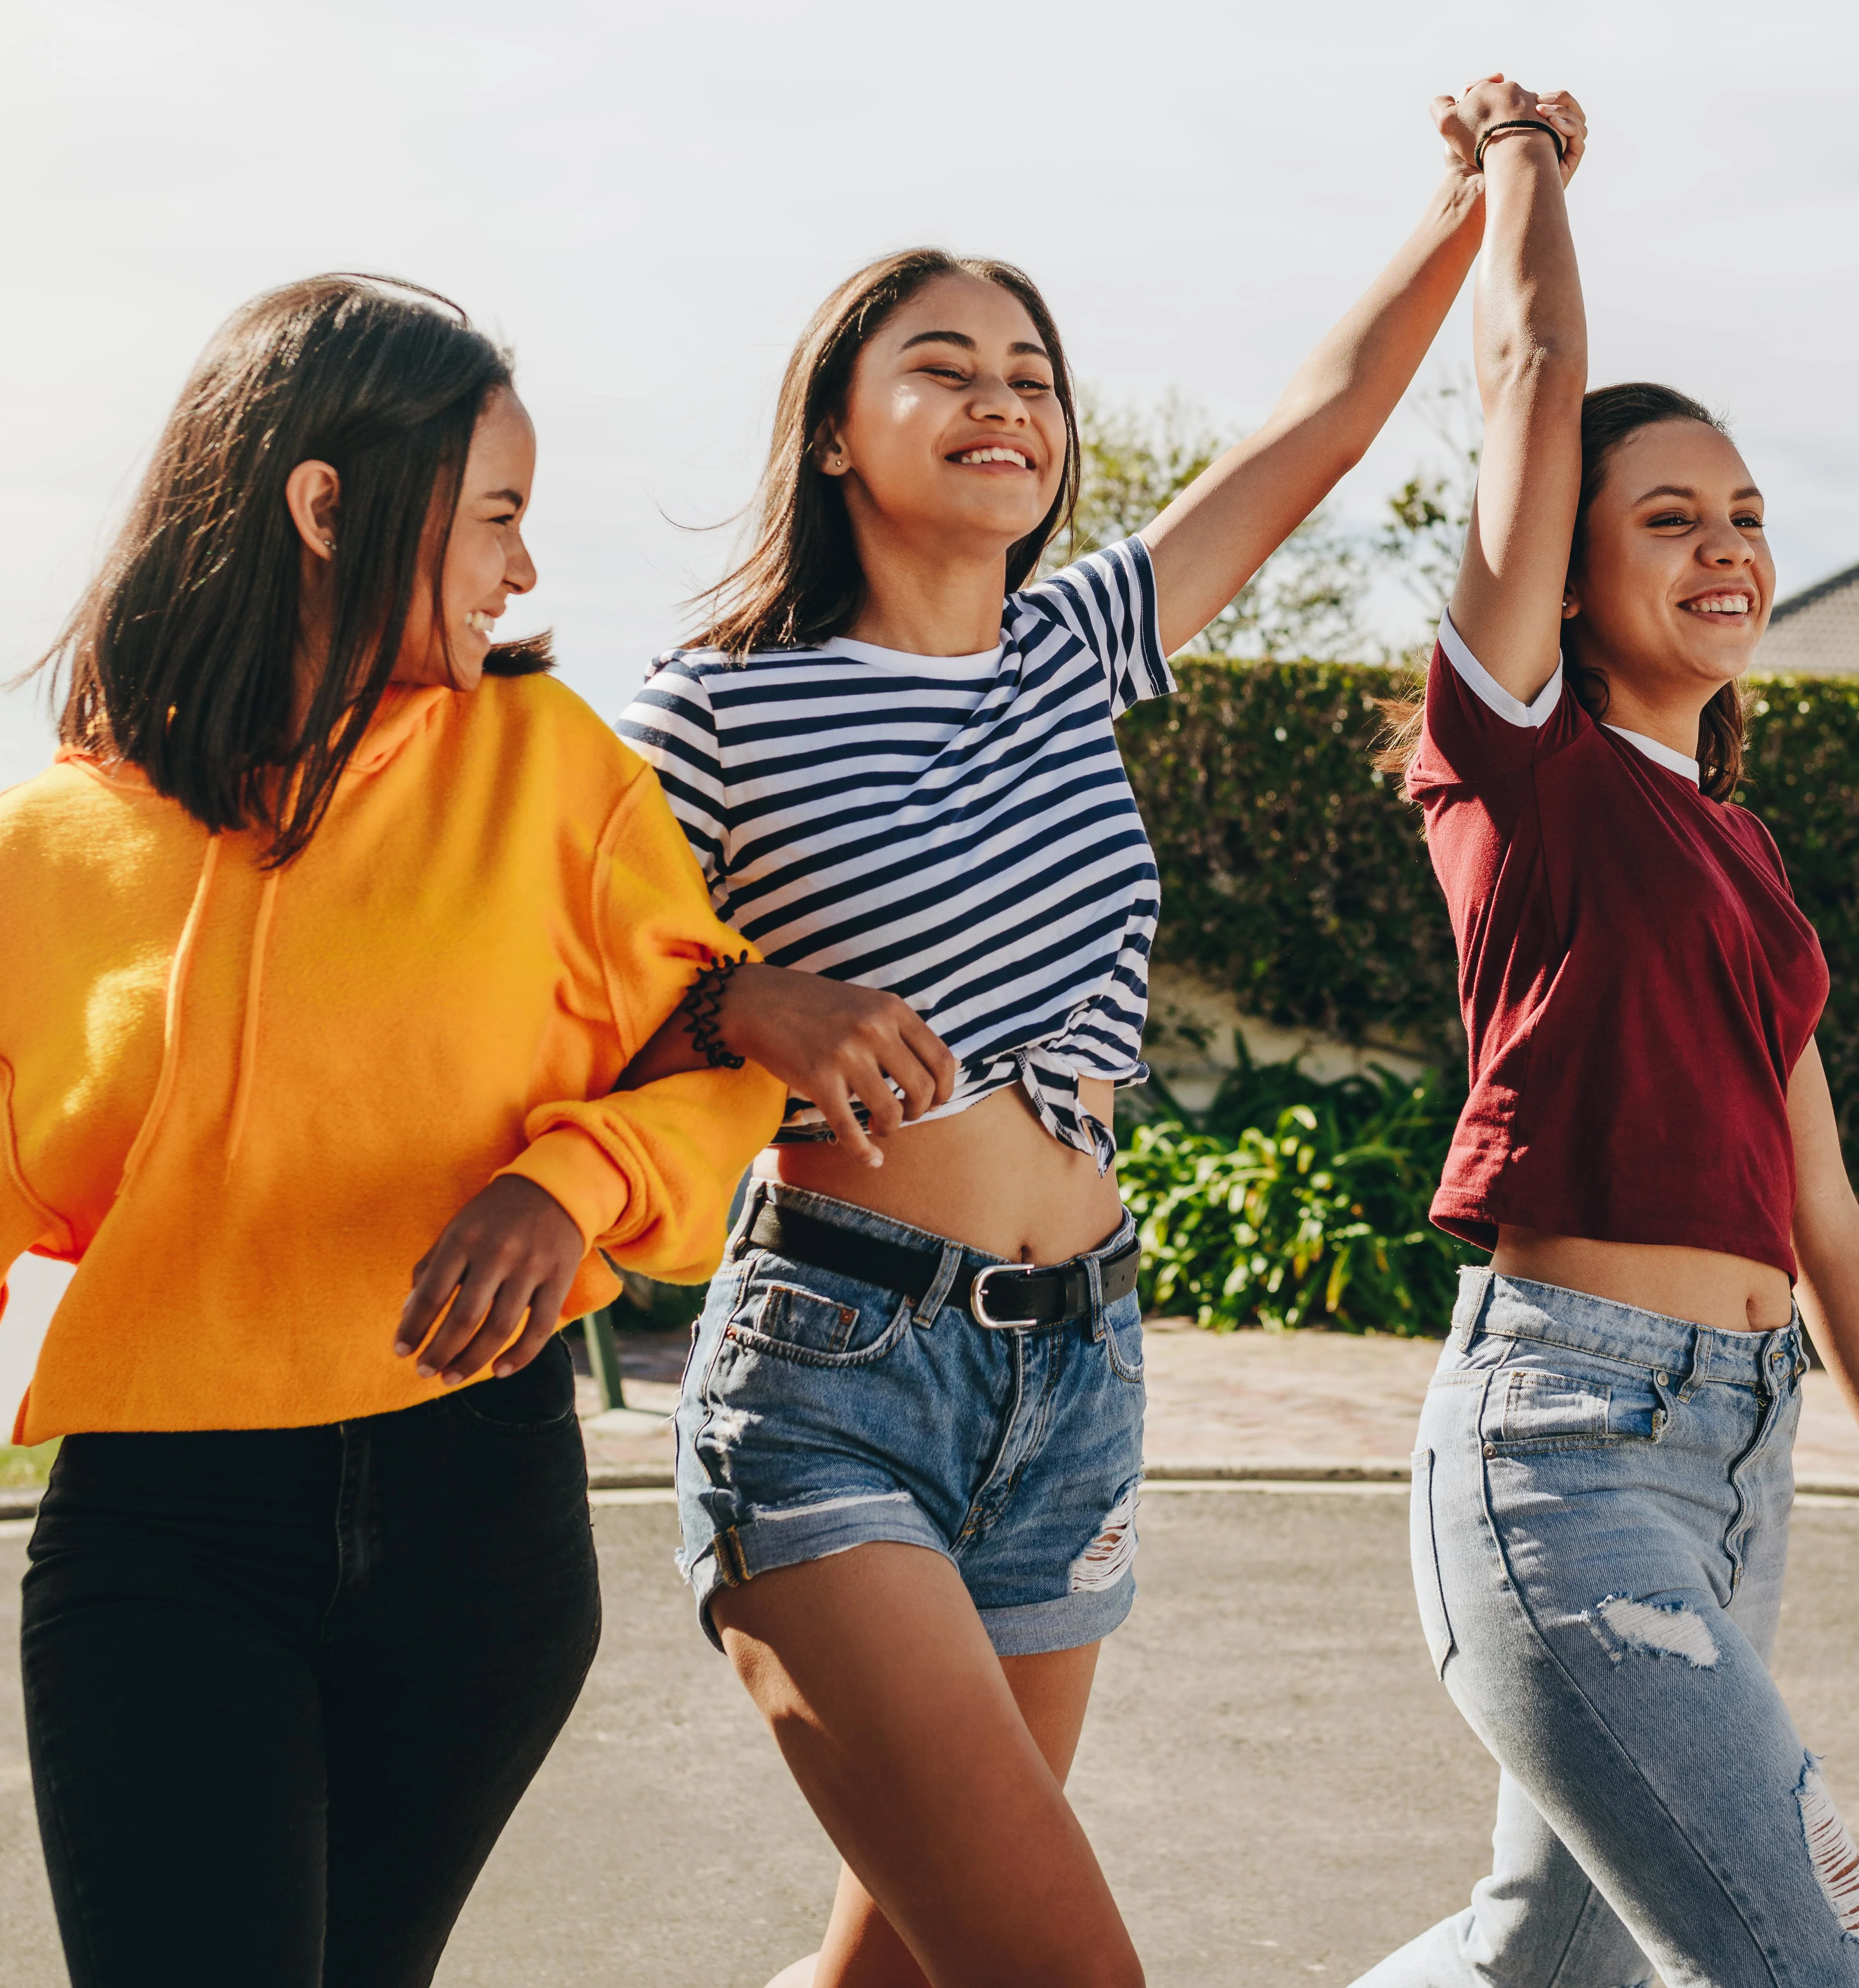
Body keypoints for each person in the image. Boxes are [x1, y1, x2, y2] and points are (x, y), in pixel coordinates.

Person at [0, 274, 784, 1988]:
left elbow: (719, 1043)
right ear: (326, 503)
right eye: (496, 515)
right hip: (172, 1549)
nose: (523, 570)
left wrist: (569, 1185)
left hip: (479, 1533)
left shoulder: (553, 774)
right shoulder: (47, 860)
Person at [604, 93, 1552, 1988]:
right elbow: (554, 980)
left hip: (1076, 1375)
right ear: (832, 429)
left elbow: (1317, 430)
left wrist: (1472, 201)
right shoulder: (716, 708)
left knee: (897, 1971)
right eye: (941, 365)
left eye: (1033, 375)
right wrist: (738, 1001)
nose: (1003, 402)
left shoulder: (1074, 647)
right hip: (836, 1370)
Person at [1353, 80, 1859, 1988]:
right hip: (1562, 1442)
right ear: (1565, 558)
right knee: (1802, 1963)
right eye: (1667, 518)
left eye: (1745, 517)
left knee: (1535, 1961)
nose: (1724, 549)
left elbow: (1818, 1206)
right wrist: (1524, 168)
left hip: (1733, 1458)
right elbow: (1527, 375)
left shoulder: (1735, 849)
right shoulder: (1519, 770)